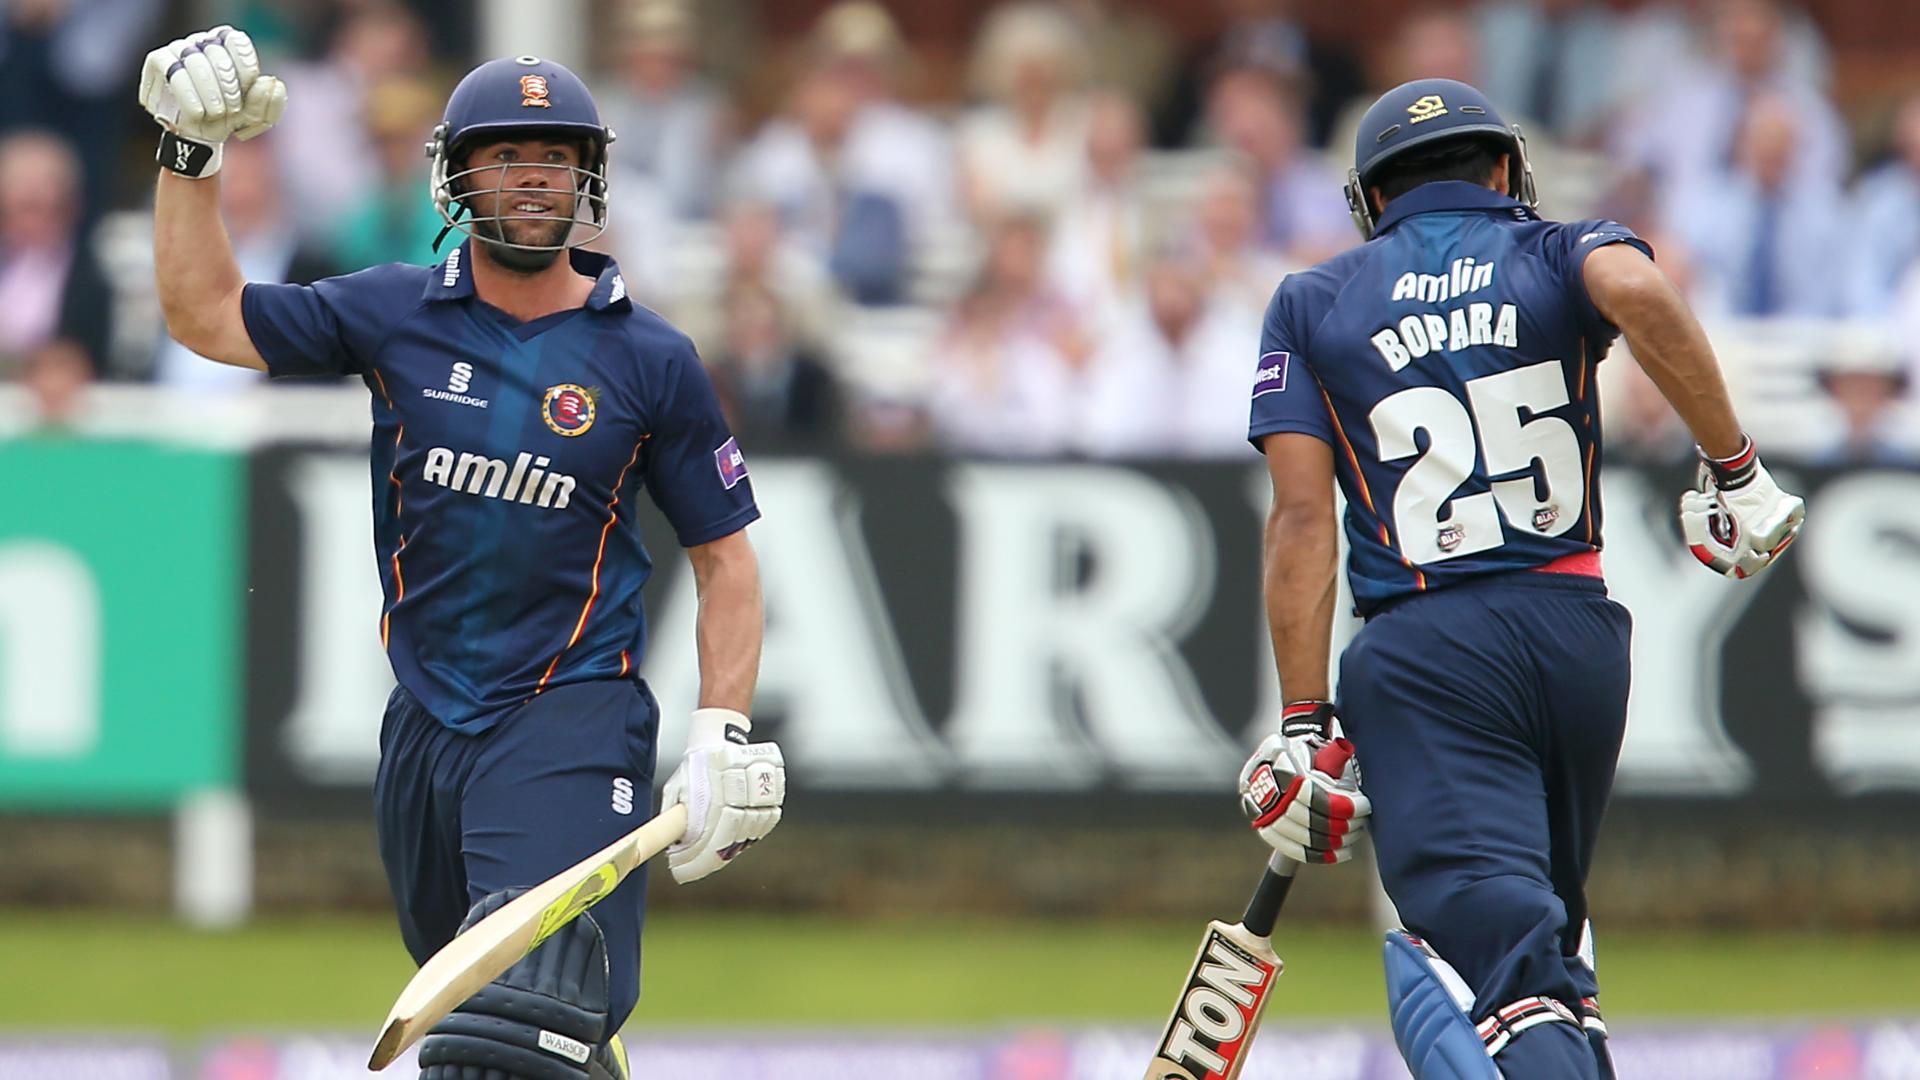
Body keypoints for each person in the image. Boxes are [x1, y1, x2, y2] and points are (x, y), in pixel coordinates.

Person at [139, 29, 786, 1080]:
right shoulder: (395, 311)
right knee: (501, 1023)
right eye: (505, 155)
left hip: (573, 711)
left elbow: (727, 560)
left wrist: (720, 731)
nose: (532, 177)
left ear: (589, 177)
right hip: (428, 720)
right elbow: (206, 316)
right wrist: (189, 155)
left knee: (512, 1026)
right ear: (456, 175)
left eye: (555, 157)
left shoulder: (652, 359)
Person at [1236, 78, 1804, 1079]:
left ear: (1373, 198)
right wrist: (1736, 468)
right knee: (1549, 954)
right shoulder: (1560, 249)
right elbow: (1640, 293)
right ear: (1504, 169)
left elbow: (1301, 519)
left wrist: (1302, 722)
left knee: (1485, 970)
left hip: (1427, 650)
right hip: (1577, 635)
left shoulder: (1312, 301)